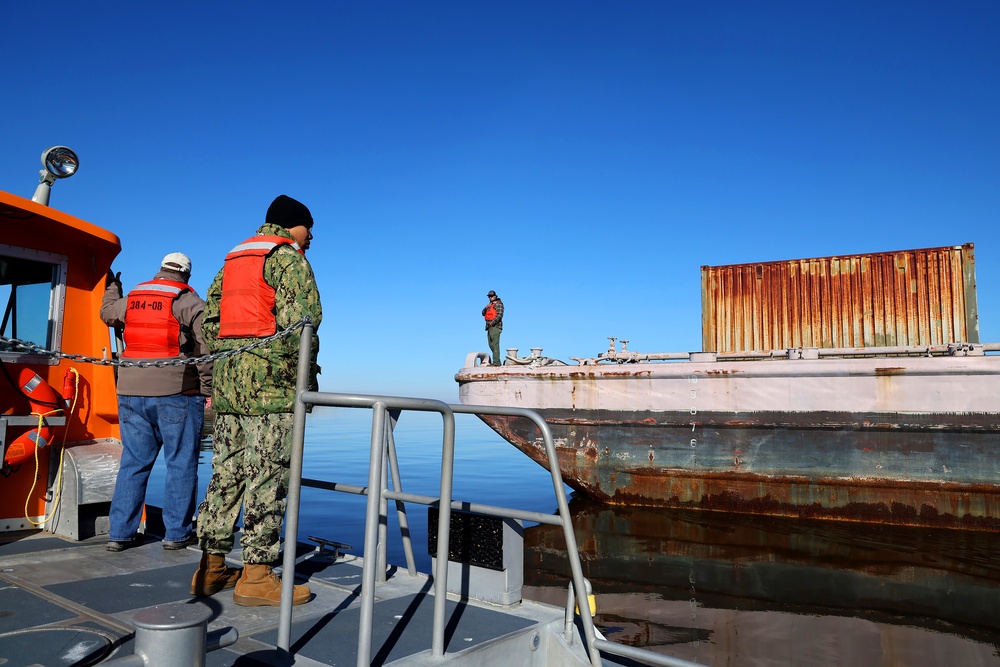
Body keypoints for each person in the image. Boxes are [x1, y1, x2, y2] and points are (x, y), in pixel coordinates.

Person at [192, 194, 322, 607]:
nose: (312, 235)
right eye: (309, 227)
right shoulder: (288, 257)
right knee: (268, 477)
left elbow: (209, 321)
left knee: (226, 473)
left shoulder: (232, 260)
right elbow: (304, 323)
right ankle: (257, 577)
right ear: (291, 225)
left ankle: (211, 568)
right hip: (272, 389)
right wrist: (304, 381)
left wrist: (236, 358)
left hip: (229, 386)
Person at [100, 252, 212, 552]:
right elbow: (205, 351)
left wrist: (113, 286)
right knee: (181, 464)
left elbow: (108, 312)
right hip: (177, 394)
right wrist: (208, 388)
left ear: (160, 270)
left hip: (130, 393)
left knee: (134, 463)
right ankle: (176, 535)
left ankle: (120, 534)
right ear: (186, 276)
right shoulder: (190, 302)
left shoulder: (133, 298)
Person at [483, 289, 504, 365]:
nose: (490, 298)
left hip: (496, 326)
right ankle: (496, 360)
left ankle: (496, 362)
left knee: (495, 344)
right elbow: (482, 313)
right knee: (491, 344)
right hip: (489, 327)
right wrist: (486, 307)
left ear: (495, 296)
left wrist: (492, 323)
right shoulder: (489, 305)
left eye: (491, 296)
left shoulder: (499, 304)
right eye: (489, 296)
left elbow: (500, 315)